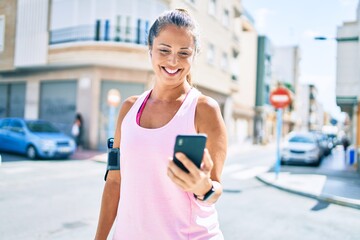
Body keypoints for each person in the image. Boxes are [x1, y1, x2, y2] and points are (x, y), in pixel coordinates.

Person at [94, 9, 227, 240]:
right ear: (150, 50)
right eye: (164, 50)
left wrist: (203, 188)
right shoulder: (128, 109)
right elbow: (114, 182)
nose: (173, 61)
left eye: (184, 53)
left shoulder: (204, 109)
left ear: (194, 55)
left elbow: (215, 189)